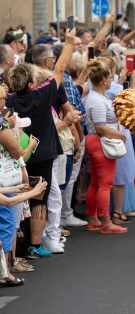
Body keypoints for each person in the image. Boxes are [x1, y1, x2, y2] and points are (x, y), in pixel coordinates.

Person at [5, 28, 78, 259]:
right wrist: (68, 43)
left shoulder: (8, 100)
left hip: (17, 157)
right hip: (43, 153)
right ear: (29, 84)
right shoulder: (42, 96)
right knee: (39, 200)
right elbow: (59, 69)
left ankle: (19, 245)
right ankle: (35, 245)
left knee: (19, 200)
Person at [84, 59, 128, 234]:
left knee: (96, 182)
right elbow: (101, 127)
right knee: (105, 184)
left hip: (95, 141)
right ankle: (105, 221)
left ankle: (93, 218)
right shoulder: (97, 99)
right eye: (110, 77)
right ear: (103, 80)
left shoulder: (97, 97)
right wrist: (120, 135)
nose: (111, 80)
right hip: (100, 141)